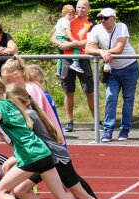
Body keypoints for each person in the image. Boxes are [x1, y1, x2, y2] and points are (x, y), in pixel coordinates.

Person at [85, 8, 139, 142]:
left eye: (106, 18)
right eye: (100, 18)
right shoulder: (97, 28)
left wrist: (103, 52)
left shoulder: (121, 27)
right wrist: (101, 52)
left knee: (128, 99)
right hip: (112, 70)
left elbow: (119, 49)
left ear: (114, 18)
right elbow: (87, 48)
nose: (102, 20)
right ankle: (108, 131)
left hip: (130, 67)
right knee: (110, 97)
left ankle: (124, 130)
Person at [50, 0, 95, 133]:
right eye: (78, 7)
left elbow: (91, 41)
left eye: (83, 7)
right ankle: (69, 122)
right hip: (66, 59)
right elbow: (53, 37)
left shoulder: (92, 24)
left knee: (89, 90)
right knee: (68, 91)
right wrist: (60, 43)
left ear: (88, 9)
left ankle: (96, 120)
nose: (80, 10)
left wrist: (70, 45)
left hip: (83, 58)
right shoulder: (67, 20)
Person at [54, 5, 84, 76]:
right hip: (62, 39)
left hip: (58, 38)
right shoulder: (66, 21)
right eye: (69, 15)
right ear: (64, 13)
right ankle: (75, 63)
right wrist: (73, 41)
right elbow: (68, 32)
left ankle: (58, 71)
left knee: (60, 56)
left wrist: (75, 16)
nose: (71, 17)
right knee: (77, 47)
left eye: (72, 15)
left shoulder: (60, 20)